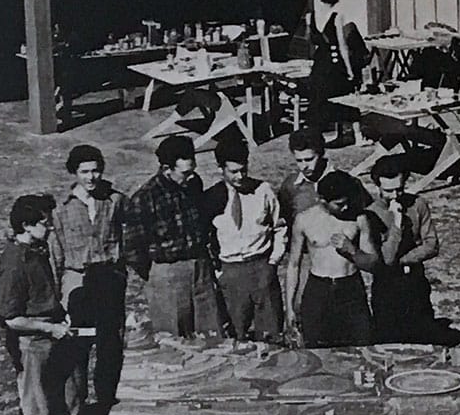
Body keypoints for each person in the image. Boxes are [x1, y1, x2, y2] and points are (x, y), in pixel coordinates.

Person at [0, 194, 76, 415]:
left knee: (53, 401)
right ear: (27, 226)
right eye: (45, 222)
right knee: (36, 407)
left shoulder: (37, 250)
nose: (52, 227)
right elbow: (10, 317)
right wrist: (48, 328)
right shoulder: (15, 262)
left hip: (49, 336)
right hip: (31, 344)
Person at [122, 134, 223, 339]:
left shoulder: (193, 185)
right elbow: (132, 248)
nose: (190, 177)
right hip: (167, 274)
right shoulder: (145, 198)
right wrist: (156, 273)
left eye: (192, 171)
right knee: (174, 339)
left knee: (212, 334)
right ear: (166, 169)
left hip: (200, 268)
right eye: (184, 173)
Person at [57, 144, 127, 415]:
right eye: (84, 172)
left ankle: (107, 399)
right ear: (74, 173)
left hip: (109, 281)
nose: (91, 177)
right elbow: (58, 252)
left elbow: (127, 234)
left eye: (95, 170)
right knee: (80, 342)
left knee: (110, 341)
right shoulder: (62, 209)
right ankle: (77, 405)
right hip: (79, 285)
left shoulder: (115, 200)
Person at [206, 128, 289, 342]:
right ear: (220, 168)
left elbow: (279, 228)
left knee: (271, 334)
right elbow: (204, 239)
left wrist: (272, 263)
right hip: (231, 272)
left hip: (262, 267)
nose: (240, 176)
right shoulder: (211, 198)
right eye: (233, 171)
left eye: (243, 170)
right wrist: (218, 273)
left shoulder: (263, 191)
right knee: (236, 335)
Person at [284, 170, 382, 346]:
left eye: (347, 202)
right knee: (317, 348)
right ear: (322, 201)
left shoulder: (359, 219)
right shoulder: (304, 220)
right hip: (318, 290)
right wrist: (290, 307)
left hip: (350, 288)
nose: (345, 208)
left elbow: (373, 263)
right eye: (339, 204)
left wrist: (352, 251)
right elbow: (293, 265)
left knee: (361, 346)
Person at [367, 154, 441, 342]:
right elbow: (386, 257)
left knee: (422, 336)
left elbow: (431, 245)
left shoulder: (418, 205)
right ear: (377, 187)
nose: (395, 196)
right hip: (387, 286)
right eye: (388, 191)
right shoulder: (371, 214)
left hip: (415, 280)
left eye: (399, 189)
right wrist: (397, 224)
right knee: (389, 339)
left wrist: (403, 260)